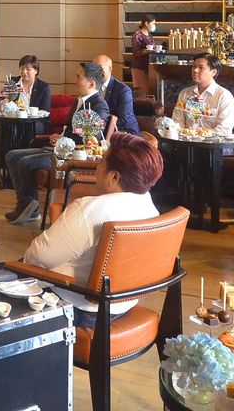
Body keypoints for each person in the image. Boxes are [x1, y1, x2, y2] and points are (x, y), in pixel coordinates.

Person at [20, 132, 163, 326]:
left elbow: (38, 257)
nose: (97, 166)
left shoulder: (91, 209)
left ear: (114, 176)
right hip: (124, 304)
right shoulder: (150, 208)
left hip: (78, 308)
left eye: (102, 161)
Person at [3, 62, 110, 225]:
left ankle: (28, 207)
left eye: (79, 77)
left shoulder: (99, 105)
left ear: (91, 83)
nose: (75, 80)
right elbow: (70, 130)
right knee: (12, 156)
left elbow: (89, 137)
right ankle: (27, 206)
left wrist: (65, 140)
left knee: (25, 162)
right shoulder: (79, 101)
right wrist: (59, 136)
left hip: (69, 156)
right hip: (57, 149)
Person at [171, 54, 234, 133]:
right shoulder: (185, 93)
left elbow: (224, 129)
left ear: (213, 72)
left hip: (213, 140)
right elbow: (177, 122)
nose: (195, 70)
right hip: (186, 139)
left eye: (201, 67)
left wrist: (201, 135)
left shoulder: (224, 96)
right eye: (194, 66)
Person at [94, 54, 139, 135]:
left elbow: (124, 120)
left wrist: (98, 125)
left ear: (110, 69)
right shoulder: (92, 87)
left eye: (100, 68)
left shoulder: (123, 91)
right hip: (101, 132)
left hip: (125, 133)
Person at [130, 15, 156, 95]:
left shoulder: (150, 36)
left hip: (148, 67)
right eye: (153, 23)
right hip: (139, 66)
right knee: (141, 90)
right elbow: (136, 52)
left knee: (148, 90)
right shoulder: (137, 35)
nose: (154, 26)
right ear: (146, 23)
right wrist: (148, 51)